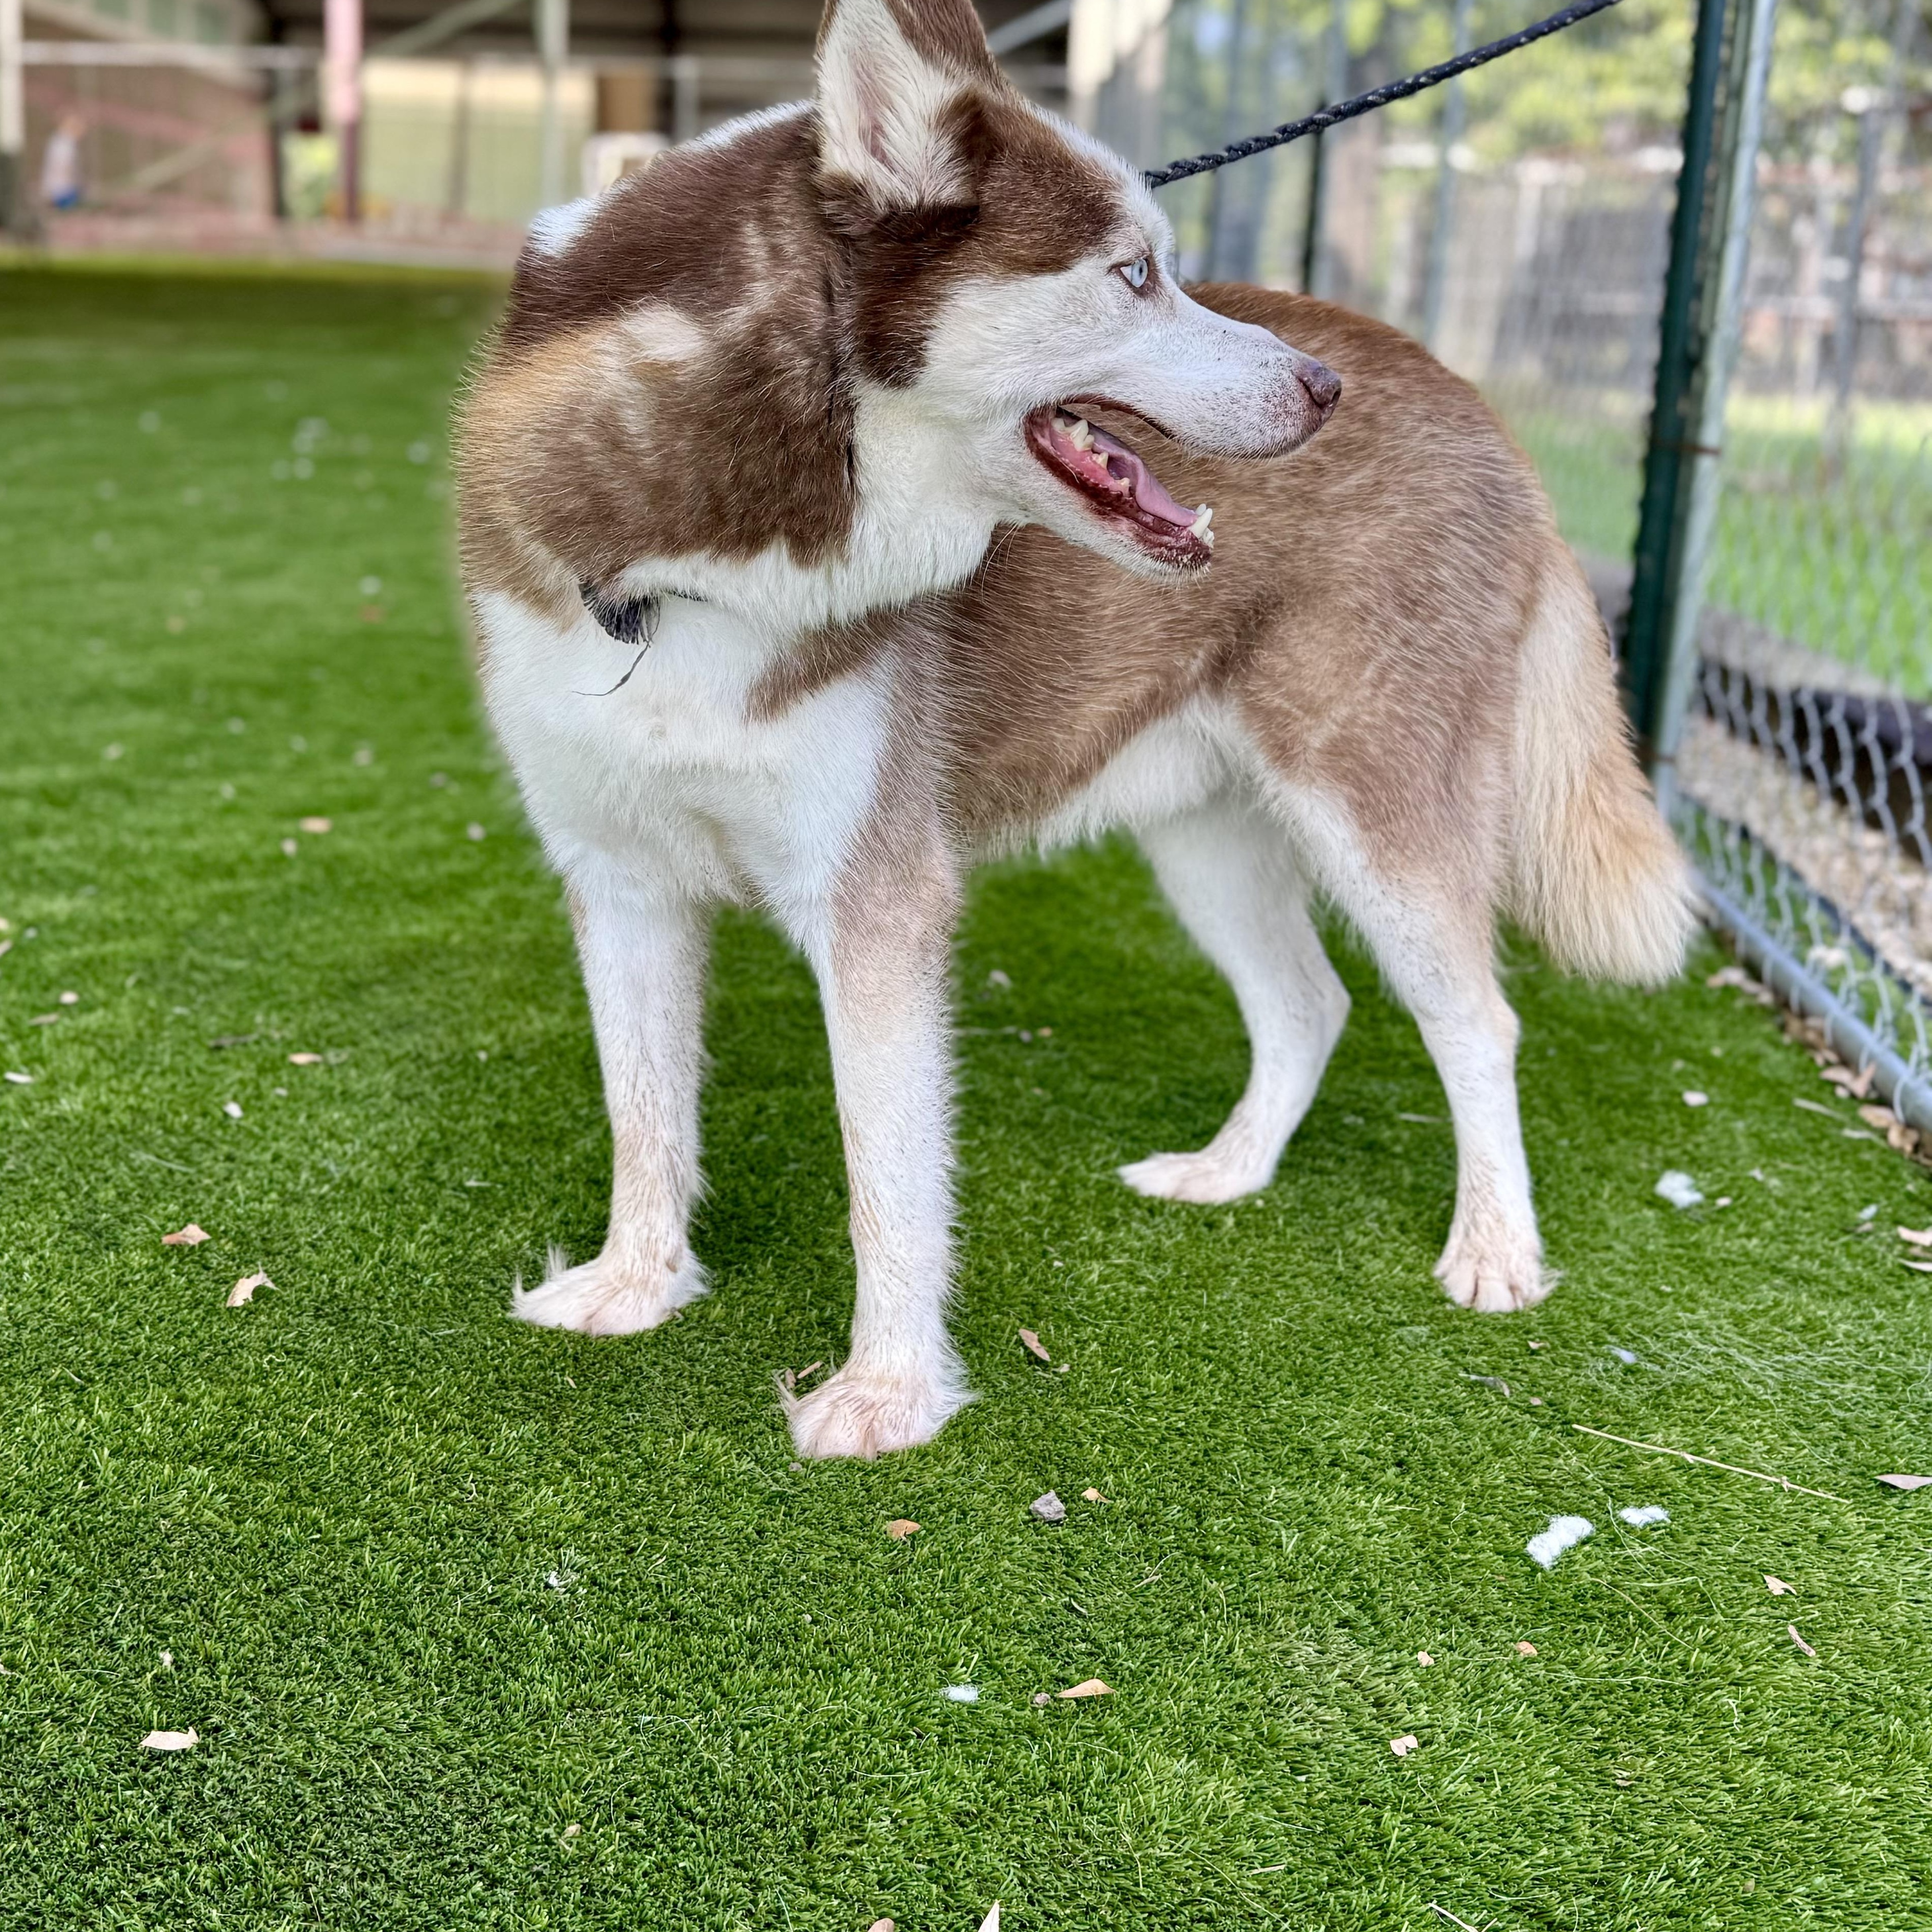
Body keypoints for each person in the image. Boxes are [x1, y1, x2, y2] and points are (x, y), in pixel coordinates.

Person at [41, 116, 86, 211]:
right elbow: (63, 165)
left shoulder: (61, 141)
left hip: (60, 185)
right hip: (61, 187)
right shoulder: (64, 143)